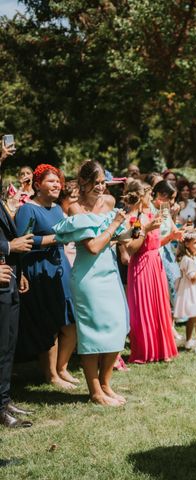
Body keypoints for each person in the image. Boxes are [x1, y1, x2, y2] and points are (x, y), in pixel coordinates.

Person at [52, 160, 129, 407]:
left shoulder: (109, 202)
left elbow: (115, 239)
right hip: (88, 277)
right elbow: (93, 246)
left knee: (117, 327)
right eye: (95, 183)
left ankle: (106, 384)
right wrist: (116, 224)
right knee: (93, 334)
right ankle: (94, 391)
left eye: (103, 182)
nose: (100, 187)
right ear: (83, 183)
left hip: (110, 272)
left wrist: (135, 230)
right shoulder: (75, 209)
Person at [14, 164, 78, 389]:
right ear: (38, 184)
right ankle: (51, 375)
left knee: (69, 321)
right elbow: (23, 242)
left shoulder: (58, 209)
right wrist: (54, 239)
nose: (57, 185)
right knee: (49, 323)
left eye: (58, 181)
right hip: (39, 269)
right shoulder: (27, 210)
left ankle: (62, 367)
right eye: (51, 181)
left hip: (61, 267)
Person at [123, 180, 178, 364]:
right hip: (142, 266)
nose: (151, 197)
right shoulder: (135, 218)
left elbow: (155, 244)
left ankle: (162, 350)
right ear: (140, 196)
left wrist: (171, 236)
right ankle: (146, 351)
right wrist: (145, 229)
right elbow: (132, 248)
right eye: (148, 194)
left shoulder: (149, 214)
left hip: (156, 263)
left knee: (159, 307)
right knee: (143, 308)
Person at [0, 141, 34, 428]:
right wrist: (8, 248)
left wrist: (17, 266)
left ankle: (4, 399)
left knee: (9, 343)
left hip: (9, 276)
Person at [151, 180, 185, 345]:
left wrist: (180, 232)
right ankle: (166, 328)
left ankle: (170, 325)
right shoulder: (150, 211)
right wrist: (172, 237)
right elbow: (154, 240)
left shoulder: (164, 209)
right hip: (157, 253)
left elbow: (172, 228)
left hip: (168, 253)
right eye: (171, 198)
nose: (172, 202)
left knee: (173, 288)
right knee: (163, 292)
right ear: (161, 195)